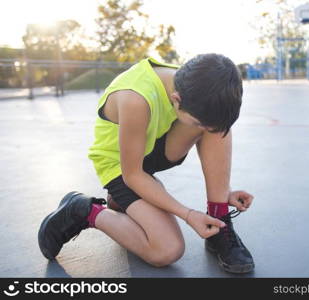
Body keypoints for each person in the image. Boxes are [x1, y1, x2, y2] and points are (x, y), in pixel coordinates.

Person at [38, 53, 255, 274]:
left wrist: (223, 191)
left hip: (150, 149)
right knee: (167, 250)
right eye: (196, 121)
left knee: (217, 124)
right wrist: (188, 214)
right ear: (176, 99)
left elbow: (211, 125)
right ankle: (83, 210)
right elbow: (132, 175)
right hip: (121, 167)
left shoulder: (191, 82)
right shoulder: (135, 97)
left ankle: (219, 220)